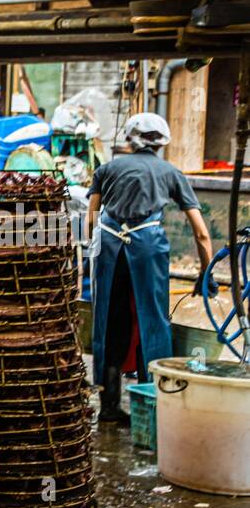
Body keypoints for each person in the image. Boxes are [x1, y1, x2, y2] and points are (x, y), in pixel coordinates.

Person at [87, 112, 215, 423]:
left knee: (109, 322)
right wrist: (206, 272)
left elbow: (91, 219)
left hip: (108, 248)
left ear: (130, 138)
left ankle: (109, 406)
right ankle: (153, 408)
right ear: (162, 142)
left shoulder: (107, 169)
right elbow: (200, 231)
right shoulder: (171, 173)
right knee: (153, 322)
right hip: (148, 248)